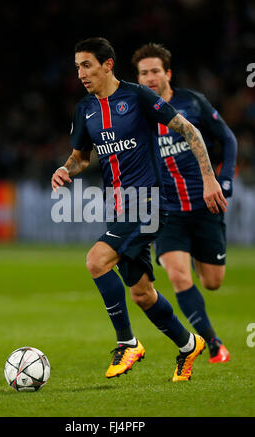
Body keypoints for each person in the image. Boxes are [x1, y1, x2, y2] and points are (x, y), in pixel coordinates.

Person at [51, 37, 227, 381]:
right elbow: (80, 158)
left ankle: (127, 342)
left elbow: (189, 130)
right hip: (117, 206)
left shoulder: (137, 96)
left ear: (107, 64)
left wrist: (209, 179)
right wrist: (64, 169)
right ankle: (188, 344)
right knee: (142, 293)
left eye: (87, 65)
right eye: (77, 67)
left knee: (96, 260)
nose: (81, 74)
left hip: (148, 202)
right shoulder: (84, 109)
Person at [131, 42, 237, 363]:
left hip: (205, 207)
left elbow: (228, 138)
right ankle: (213, 344)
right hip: (168, 213)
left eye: (154, 71)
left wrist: (225, 178)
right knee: (178, 276)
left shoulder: (192, 103)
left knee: (213, 282)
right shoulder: (136, 113)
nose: (149, 77)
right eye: (143, 73)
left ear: (167, 73)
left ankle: (190, 257)